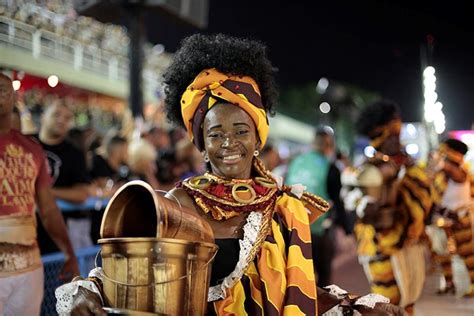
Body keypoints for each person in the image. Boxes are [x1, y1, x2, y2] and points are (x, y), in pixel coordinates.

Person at [57, 34, 404, 316]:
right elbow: (120, 273)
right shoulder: (177, 203)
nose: (229, 144)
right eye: (215, 134)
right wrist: (85, 293)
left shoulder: (283, 206)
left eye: (240, 131)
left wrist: (356, 306)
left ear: (257, 140)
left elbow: (296, 292)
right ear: (201, 145)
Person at [341, 99, 433, 314]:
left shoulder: (409, 167)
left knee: (406, 302)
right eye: (389, 135)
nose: (394, 140)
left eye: (395, 134)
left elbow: (423, 200)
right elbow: (351, 196)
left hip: (405, 243)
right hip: (377, 247)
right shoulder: (367, 168)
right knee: (388, 304)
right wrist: (361, 204)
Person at [0, 73, 79, 315]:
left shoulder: (31, 149)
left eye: (4, 89)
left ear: (14, 96)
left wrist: (69, 251)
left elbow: (47, 208)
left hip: (29, 269)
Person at [285, 126, 349, 287]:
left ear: (313, 143)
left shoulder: (295, 162)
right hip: (320, 231)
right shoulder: (331, 167)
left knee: (296, 276)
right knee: (323, 277)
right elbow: (337, 200)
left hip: (292, 228)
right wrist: (348, 228)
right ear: (329, 146)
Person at [33, 102, 91, 252]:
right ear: (43, 117)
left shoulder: (74, 154)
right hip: (21, 225)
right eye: (56, 114)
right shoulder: (24, 143)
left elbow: (82, 193)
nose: (61, 120)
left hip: (53, 234)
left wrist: (47, 192)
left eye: (67, 118)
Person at [428, 138, 474, 296]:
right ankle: (449, 283)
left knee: (467, 253)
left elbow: (450, 171)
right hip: (445, 219)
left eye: (446, 151)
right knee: (442, 253)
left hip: (460, 219)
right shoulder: (444, 173)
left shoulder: (459, 171)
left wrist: (440, 162)